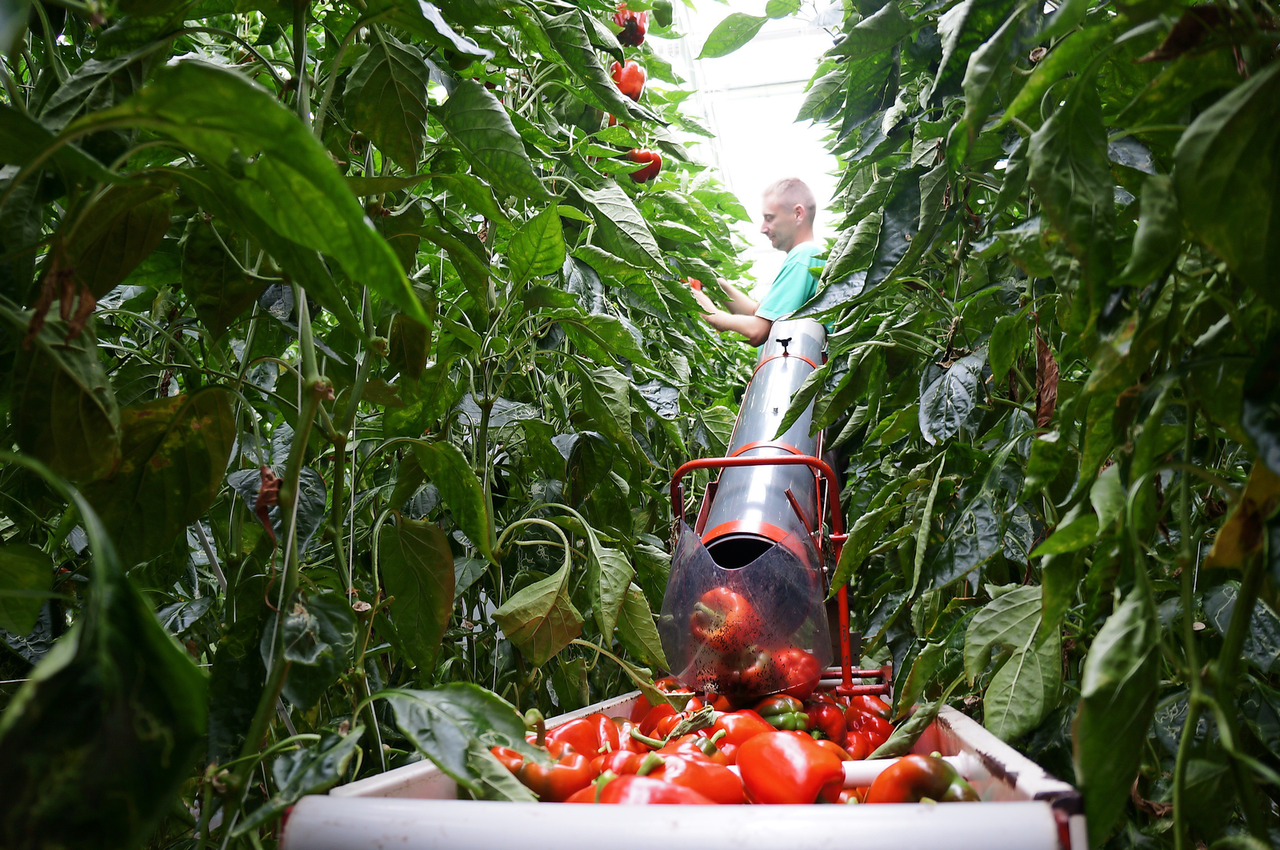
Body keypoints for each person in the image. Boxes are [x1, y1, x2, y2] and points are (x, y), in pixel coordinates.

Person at [691, 178, 822, 347]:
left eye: (770, 218)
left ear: (798, 214)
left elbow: (757, 331)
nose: (763, 228)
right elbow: (757, 313)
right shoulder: (807, 258)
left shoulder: (804, 256)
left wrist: (710, 314)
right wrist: (715, 283)